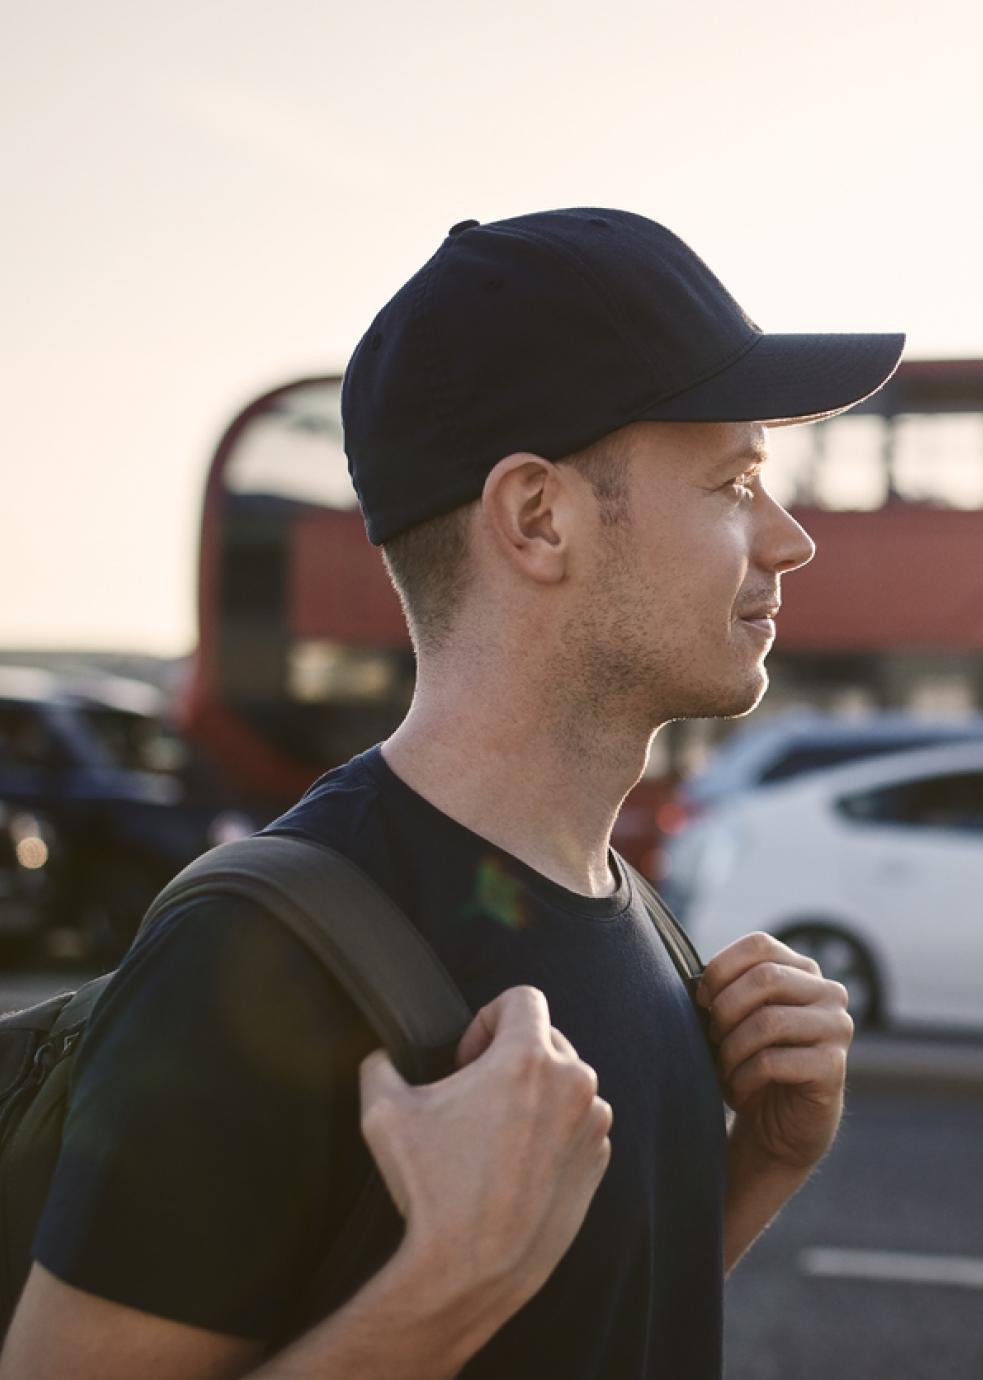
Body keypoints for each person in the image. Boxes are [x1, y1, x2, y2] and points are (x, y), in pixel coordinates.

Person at [0, 207, 905, 1379]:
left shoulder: (635, 921)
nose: (789, 540)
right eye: (734, 480)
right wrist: (443, 1287)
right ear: (539, 517)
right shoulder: (253, 962)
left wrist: (761, 1163)